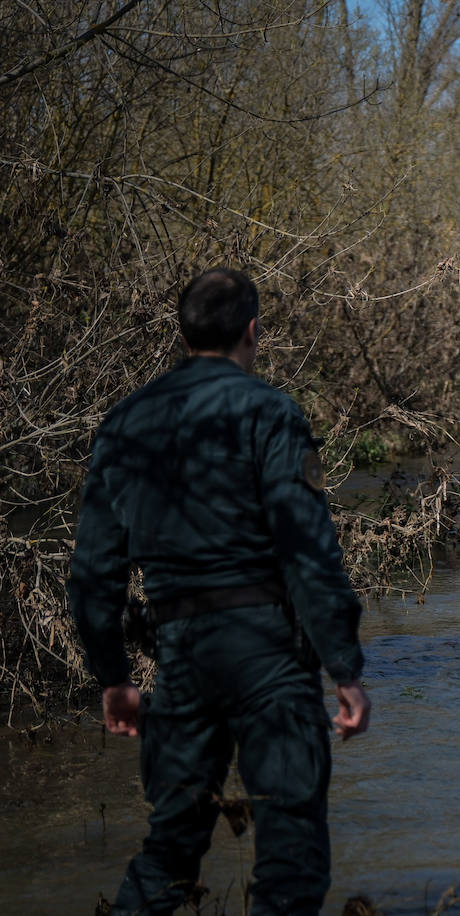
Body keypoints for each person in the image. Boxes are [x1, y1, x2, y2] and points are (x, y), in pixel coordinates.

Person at [67, 268, 371, 915]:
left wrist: (113, 676)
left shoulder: (125, 424)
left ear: (182, 333)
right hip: (271, 659)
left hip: (181, 660)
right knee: (289, 861)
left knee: (170, 848)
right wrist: (344, 668)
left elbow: (93, 570)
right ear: (253, 332)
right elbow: (309, 555)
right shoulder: (272, 414)